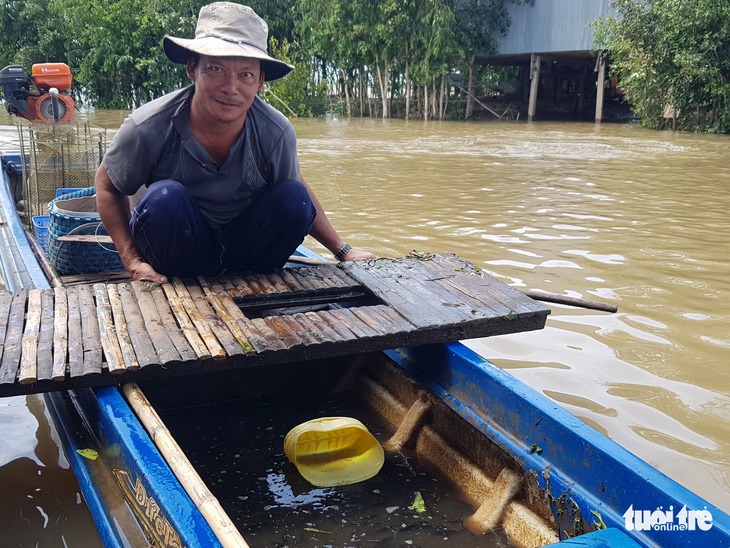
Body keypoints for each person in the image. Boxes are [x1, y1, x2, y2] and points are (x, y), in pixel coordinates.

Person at [96, 2, 375, 284]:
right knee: (165, 199)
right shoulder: (148, 125)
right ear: (193, 69)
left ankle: (254, 283)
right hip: (178, 259)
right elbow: (107, 185)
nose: (231, 88)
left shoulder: (276, 131)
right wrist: (131, 261)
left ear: (260, 82)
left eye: (245, 75)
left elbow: (297, 187)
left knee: (294, 197)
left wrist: (343, 251)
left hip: (248, 258)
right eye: (216, 69)